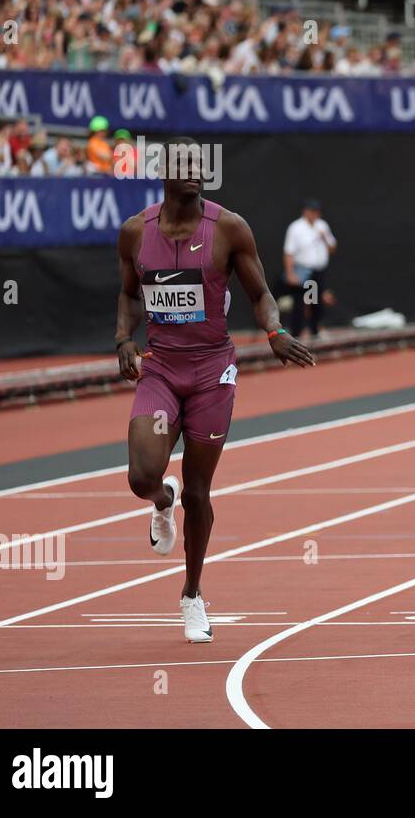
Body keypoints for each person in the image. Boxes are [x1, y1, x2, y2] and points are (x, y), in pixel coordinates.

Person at [115, 137, 314, 643]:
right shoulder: (135, 232)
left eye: (200, 165)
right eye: (183, 165)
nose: (195, 172)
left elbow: (261, 293)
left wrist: (275, 331)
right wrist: (123, 338)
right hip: (161, 369)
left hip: (211, 374)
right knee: (142, 475)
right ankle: (163, 500)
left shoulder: (228, 228)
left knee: (200, 490)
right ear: (163, 172)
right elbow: (128, 294)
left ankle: (192, 595)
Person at [282, 198, 337, 340]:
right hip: (302, 271)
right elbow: (289, 252)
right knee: (299, 303)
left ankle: (315, 332)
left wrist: (325, 238)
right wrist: (290, 273)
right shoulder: (296, 228)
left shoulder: (322, 226)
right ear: (305, 211)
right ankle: (296, 335)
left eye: (317, 211)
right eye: (312, 211)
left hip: (317, 272)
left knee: (316, 303)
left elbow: (332, 249)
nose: (315, 214)